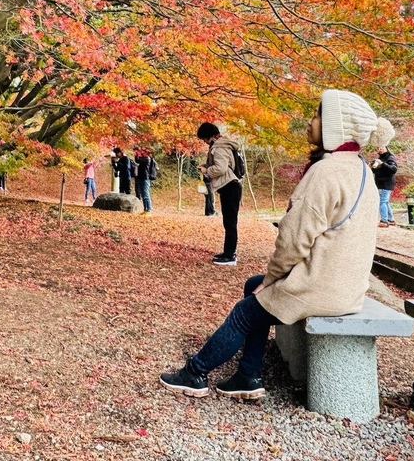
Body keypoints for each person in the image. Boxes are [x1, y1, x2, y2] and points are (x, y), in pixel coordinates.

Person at [160, 90, 394, 399]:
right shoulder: (361, 169)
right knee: (253, 286)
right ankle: (247, 375)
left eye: (317, 116)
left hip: (320, 287)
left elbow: (293, 242)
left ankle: (194, 373)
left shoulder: (326, 172)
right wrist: (266, 282)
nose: (311, 122)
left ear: (335, 125)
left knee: (245, 312)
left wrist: (273, 279)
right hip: (347, 287)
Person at [196, 123, 243, 265]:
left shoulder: (219, 147)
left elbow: (221, 168)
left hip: (230, 187)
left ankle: (230, 256)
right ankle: (228, 252)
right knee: (229, 222)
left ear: (210, 136)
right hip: (230, 187)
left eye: (204, 139)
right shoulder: (224, 144)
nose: (204, 142)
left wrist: (206, 171)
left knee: (230, 223)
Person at [371, 145, 398, 226]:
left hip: (386, 183)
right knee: (385, 202)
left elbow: (393, 169)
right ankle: (391, 220)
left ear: (386, 148)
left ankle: (384, 221)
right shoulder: (379, 158)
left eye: (382, 147)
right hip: (380, 183)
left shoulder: (390, 157)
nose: (380, 149)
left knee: (382, 202)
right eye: (379, 147)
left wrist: (382, 164)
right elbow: (375, 171)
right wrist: (372, 166)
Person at [134, 148, 154, 213]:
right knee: (143, 194)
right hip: (141, 177)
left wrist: (136, 154)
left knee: (146, 194)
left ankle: (148, 209)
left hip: (145, 178)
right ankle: (145, 209)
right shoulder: (145, 158)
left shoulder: (147, 159)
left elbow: (137, 160)